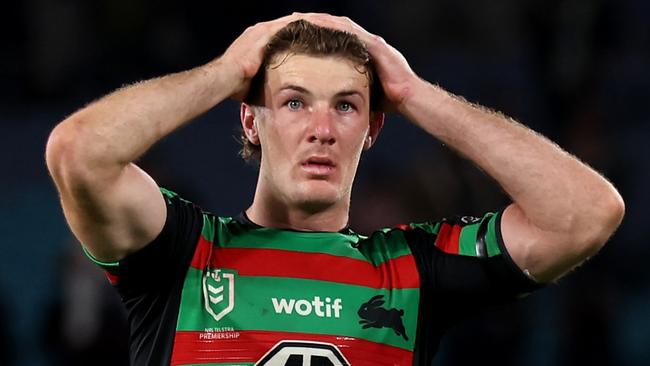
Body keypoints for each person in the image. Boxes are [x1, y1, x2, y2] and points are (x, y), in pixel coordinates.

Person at [45, 13, 625, 366]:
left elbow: (583, 213)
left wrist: (417, 95)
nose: (321, 130)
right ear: (251, 120)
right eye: (293, 102)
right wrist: (225, 73)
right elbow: (79, 153)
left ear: (373, 128)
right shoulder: (185, 252)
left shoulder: (413, 272)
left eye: (346, 107)